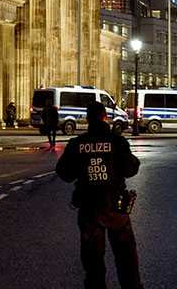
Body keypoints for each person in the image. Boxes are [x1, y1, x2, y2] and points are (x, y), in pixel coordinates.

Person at [56, 101, 144, 289]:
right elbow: (130, 170)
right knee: (126, 259)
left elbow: (64, 173)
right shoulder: (117, 142)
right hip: (116, 207)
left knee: (93, 262)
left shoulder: (77, 144)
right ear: (106, 116)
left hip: (89, 206)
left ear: (87, 119)